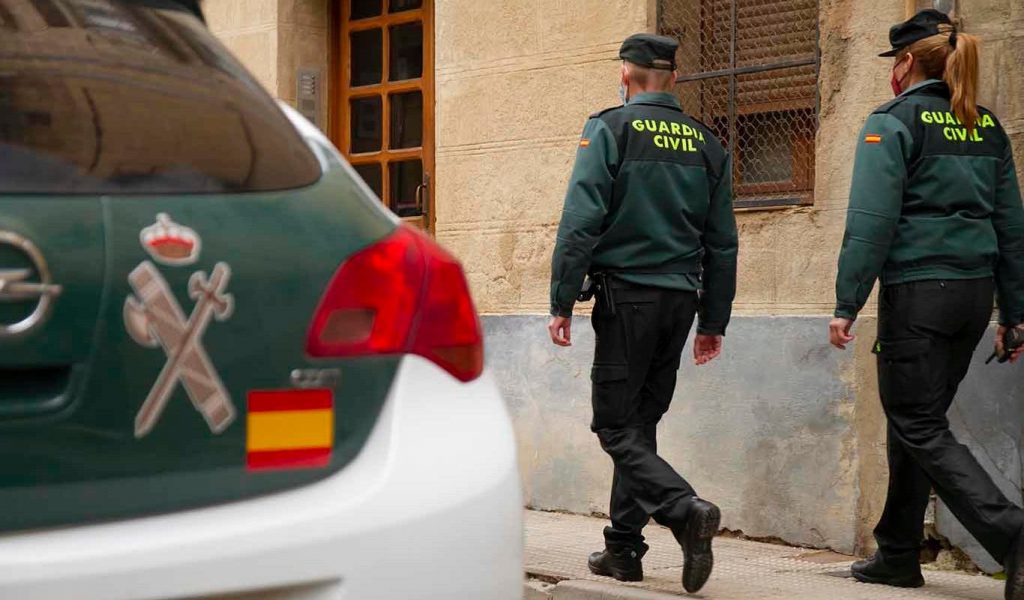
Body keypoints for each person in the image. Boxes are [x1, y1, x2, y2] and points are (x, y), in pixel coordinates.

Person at [830, 9, 1024, 597]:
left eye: (894, 62)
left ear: (907, 62)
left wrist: (847, 301)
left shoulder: (893, 121)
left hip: (919, 295)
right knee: (916, 421)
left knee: (915, 420)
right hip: (972, 297)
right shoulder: (985, 126)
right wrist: (1013, 314)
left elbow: (871, 222)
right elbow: (1010, 225)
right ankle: (897, 553)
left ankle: (1012, 534)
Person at [547, 33, 738, 595]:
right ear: (673, 78)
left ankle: (684, 511)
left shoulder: (610, 127)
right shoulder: (707, 142)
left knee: (613, 425)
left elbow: (581, 219)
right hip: (681, 299)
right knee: (640, 425)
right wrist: (714, 321)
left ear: (625, 74)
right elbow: (723, 242)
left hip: (627, 295)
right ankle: (623, 550)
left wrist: (561, 300)